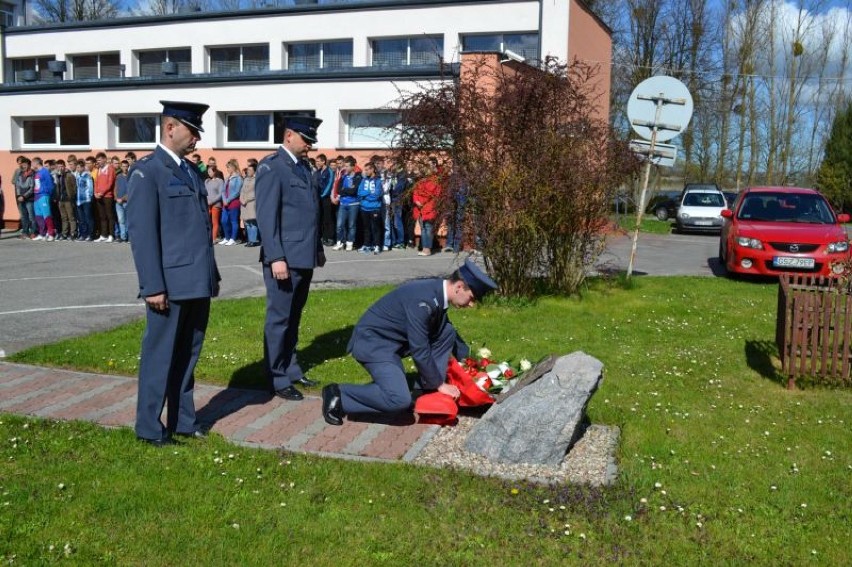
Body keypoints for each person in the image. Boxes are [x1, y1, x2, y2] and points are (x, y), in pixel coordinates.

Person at [126, 100, 220, 446]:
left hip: (196, 280)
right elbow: (143, 234)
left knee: (187, 356)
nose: (196, 138)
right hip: (168, 284)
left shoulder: (188, 170)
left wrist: (211, 275)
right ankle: (149, 427)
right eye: (192, 130)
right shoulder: (147, 171)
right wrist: (152, 286)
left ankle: (183, 420)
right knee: (159, 358)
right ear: (170, 128)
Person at [321, 258, 498, 425]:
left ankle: (426, 388)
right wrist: (440, 384)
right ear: (459, 287)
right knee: (398, 400)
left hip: (391, 344)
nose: (471, 304)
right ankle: (339, 394)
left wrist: (471, 367)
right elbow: (419, 348)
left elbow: (449, 334)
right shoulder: (423, 301)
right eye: (472, 298)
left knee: (447, 331)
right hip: (374, 345)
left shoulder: (436, 292)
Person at [255, 115, 326, 401]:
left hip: (303, 255)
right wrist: (276, 257)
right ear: (289, 136)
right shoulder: (273, 168)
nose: (309, 146)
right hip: (284, 258)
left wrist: (315, 251)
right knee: (279, 319)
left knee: (294, 318)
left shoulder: (303, 168)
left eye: (311, 141)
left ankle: (292, 368)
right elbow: (267, 217)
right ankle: (276, 376)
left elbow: (311, 215)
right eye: (306, 139)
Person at [356, 161, 383, 254]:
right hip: (364, 208)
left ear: (372, 169)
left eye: (367, 170)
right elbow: (359, 193)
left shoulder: (378, 180)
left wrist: (365, 195)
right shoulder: (363, 180)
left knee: (376, 228)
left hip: (375, 208)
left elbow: (377, 195)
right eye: (365, 170)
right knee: (366, 228)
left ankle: (377, 246)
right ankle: (366, 245)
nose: (366, 171)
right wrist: (368, 193)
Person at [93, 151, 117, 243]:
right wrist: (95, 192)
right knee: (102, 216)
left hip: (107, 196)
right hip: (99, 196)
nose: (98, 162)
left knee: (109, 216)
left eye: (99, 160)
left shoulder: (110, 169)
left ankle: (111, 235)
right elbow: (96, 182)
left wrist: (102, 193)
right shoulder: (99, 169)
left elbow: (110, 183)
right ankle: (103, 235)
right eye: (97, 160)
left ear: (104, 159)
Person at [31, 157, 56, 241]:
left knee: (47, 215)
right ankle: (42, 234)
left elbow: (50, 185)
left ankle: (51, 234)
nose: (31, 165)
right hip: (36, 196)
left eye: (32, 163)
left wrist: (47, 194)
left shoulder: (45, 172)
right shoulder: (37, 173)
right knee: (38, 216)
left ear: (36, 163)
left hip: (43, 195)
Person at [220, 158, 243, 246]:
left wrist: (228, 200)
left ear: (233, 167)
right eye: (227, 168)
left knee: (233, 221)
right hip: (225, 203)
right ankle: (227, 237)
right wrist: (224, 200)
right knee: (224, 221)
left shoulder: (238, 178)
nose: (227, 169)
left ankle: (233, 238)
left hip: (234, 202)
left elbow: (237, 192)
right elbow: (223, 190)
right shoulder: (227, 178)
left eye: (228, 167)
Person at [54, 159, 77, 241]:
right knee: (64, 218)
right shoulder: (58, 176)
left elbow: (74, 187)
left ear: (64, 166)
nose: (60, 168)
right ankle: (64, 233)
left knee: (71, 217)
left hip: (68, 199)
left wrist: (72, 197)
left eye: (61, 166)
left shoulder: (69, 175)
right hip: (61, 199)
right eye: (58, 167)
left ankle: (73, 233)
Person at [14, 157, 36, 239]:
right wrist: (19, 195)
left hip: (29, 199)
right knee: (23, 216)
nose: (23, 166)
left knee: (31, 216)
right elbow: (17, 186)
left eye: (25, 164)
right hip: (21, 199)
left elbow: (32, 187)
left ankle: (33, 232)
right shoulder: (20, 174)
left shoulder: (33, 174)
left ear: (29, 165)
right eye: (22, 164)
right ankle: (25, 232)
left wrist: (24, 196)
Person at [74, 159, 94, 241]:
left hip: (86, 200)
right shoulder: (78, 176)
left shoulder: (87, 176)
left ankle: (90, 234)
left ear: (83, 168)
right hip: (79, 200)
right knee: (81, 219)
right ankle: (83, 234)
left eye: (79, 167)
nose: (77, 169)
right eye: (77, 167)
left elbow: (90, 188)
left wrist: (89, 197)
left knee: (88, 218)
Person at [241, 162, 260, 247]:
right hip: (244, 204)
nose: (248, 171)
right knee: (247, 223)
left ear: (254, 171)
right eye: (247, 170)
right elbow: (242, 191)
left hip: (251, 203)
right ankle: (249, 240)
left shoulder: (257, 179)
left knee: (253, 222)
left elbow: (256, 192)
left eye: (250, 170)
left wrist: (247, 199)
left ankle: (254, 240)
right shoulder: (245, 179)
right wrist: (241, 199)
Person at [205, 165, 224, 243]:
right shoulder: (207, 181)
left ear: (214, 172)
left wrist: (212, 201)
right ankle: (207, 237)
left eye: (210, 171)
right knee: (206, 221)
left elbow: (220, 194)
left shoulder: (220, 181)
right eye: (208, 171)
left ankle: (213, 238)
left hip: (216, 204)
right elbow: (205, 192)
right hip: (207, 204)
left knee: (214, 222)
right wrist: (207, 201)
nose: (208, 173)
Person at [114, 160, 130, 242]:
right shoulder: (118, 176)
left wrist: (123, 199)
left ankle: (128, 237)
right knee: (121, 220)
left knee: (128, 220)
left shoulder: (130, 177)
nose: (124, 168)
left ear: (128, 167)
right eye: (123, 166)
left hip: (126, 202)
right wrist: (116, 198)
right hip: (118, 202)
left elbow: (131, 191)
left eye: (126, 166)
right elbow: (115, 188)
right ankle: (123, 237)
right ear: (121, 167)